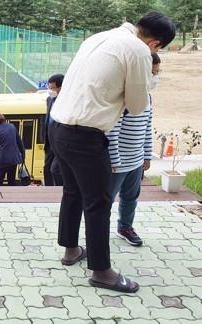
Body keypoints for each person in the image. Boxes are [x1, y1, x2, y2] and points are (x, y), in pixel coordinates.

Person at [49, 12, 175, 293]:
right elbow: (138, 104)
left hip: (58, 126)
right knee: (99, 202)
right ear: (155, 43)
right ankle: (101, 271)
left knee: (73, 192)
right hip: (86, 136)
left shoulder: (100, 36)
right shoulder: (139, 50)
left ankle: (71, 251)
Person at [106, 53, 160, 246]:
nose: (156, 77)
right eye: (153, 73)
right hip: (117, 163)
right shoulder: (123, 98)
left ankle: (125, 227)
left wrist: (146, 156)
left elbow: (147, 127)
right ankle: (98, 233)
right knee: (106, 200)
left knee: (131, 197)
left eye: (157, 72)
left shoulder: (148, 98)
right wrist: (114, 161)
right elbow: (111, 131)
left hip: (136, 161)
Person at [0, 110, 25, 186]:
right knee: (11, 181)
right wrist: (23, 157)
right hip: (13, 160)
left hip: (0, 160)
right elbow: (20, 143)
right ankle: (11, 197)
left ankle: (0, 197)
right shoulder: (11, 126)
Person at [44, 74, 64, 186]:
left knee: (56, 169)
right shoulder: (50, 100)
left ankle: (61, 190)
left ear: (61, 87)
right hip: (50, 141)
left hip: (60, 141)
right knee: (47, 168)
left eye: (52, 88)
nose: (50, 91)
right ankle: (48, 191)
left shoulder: (68, 101)